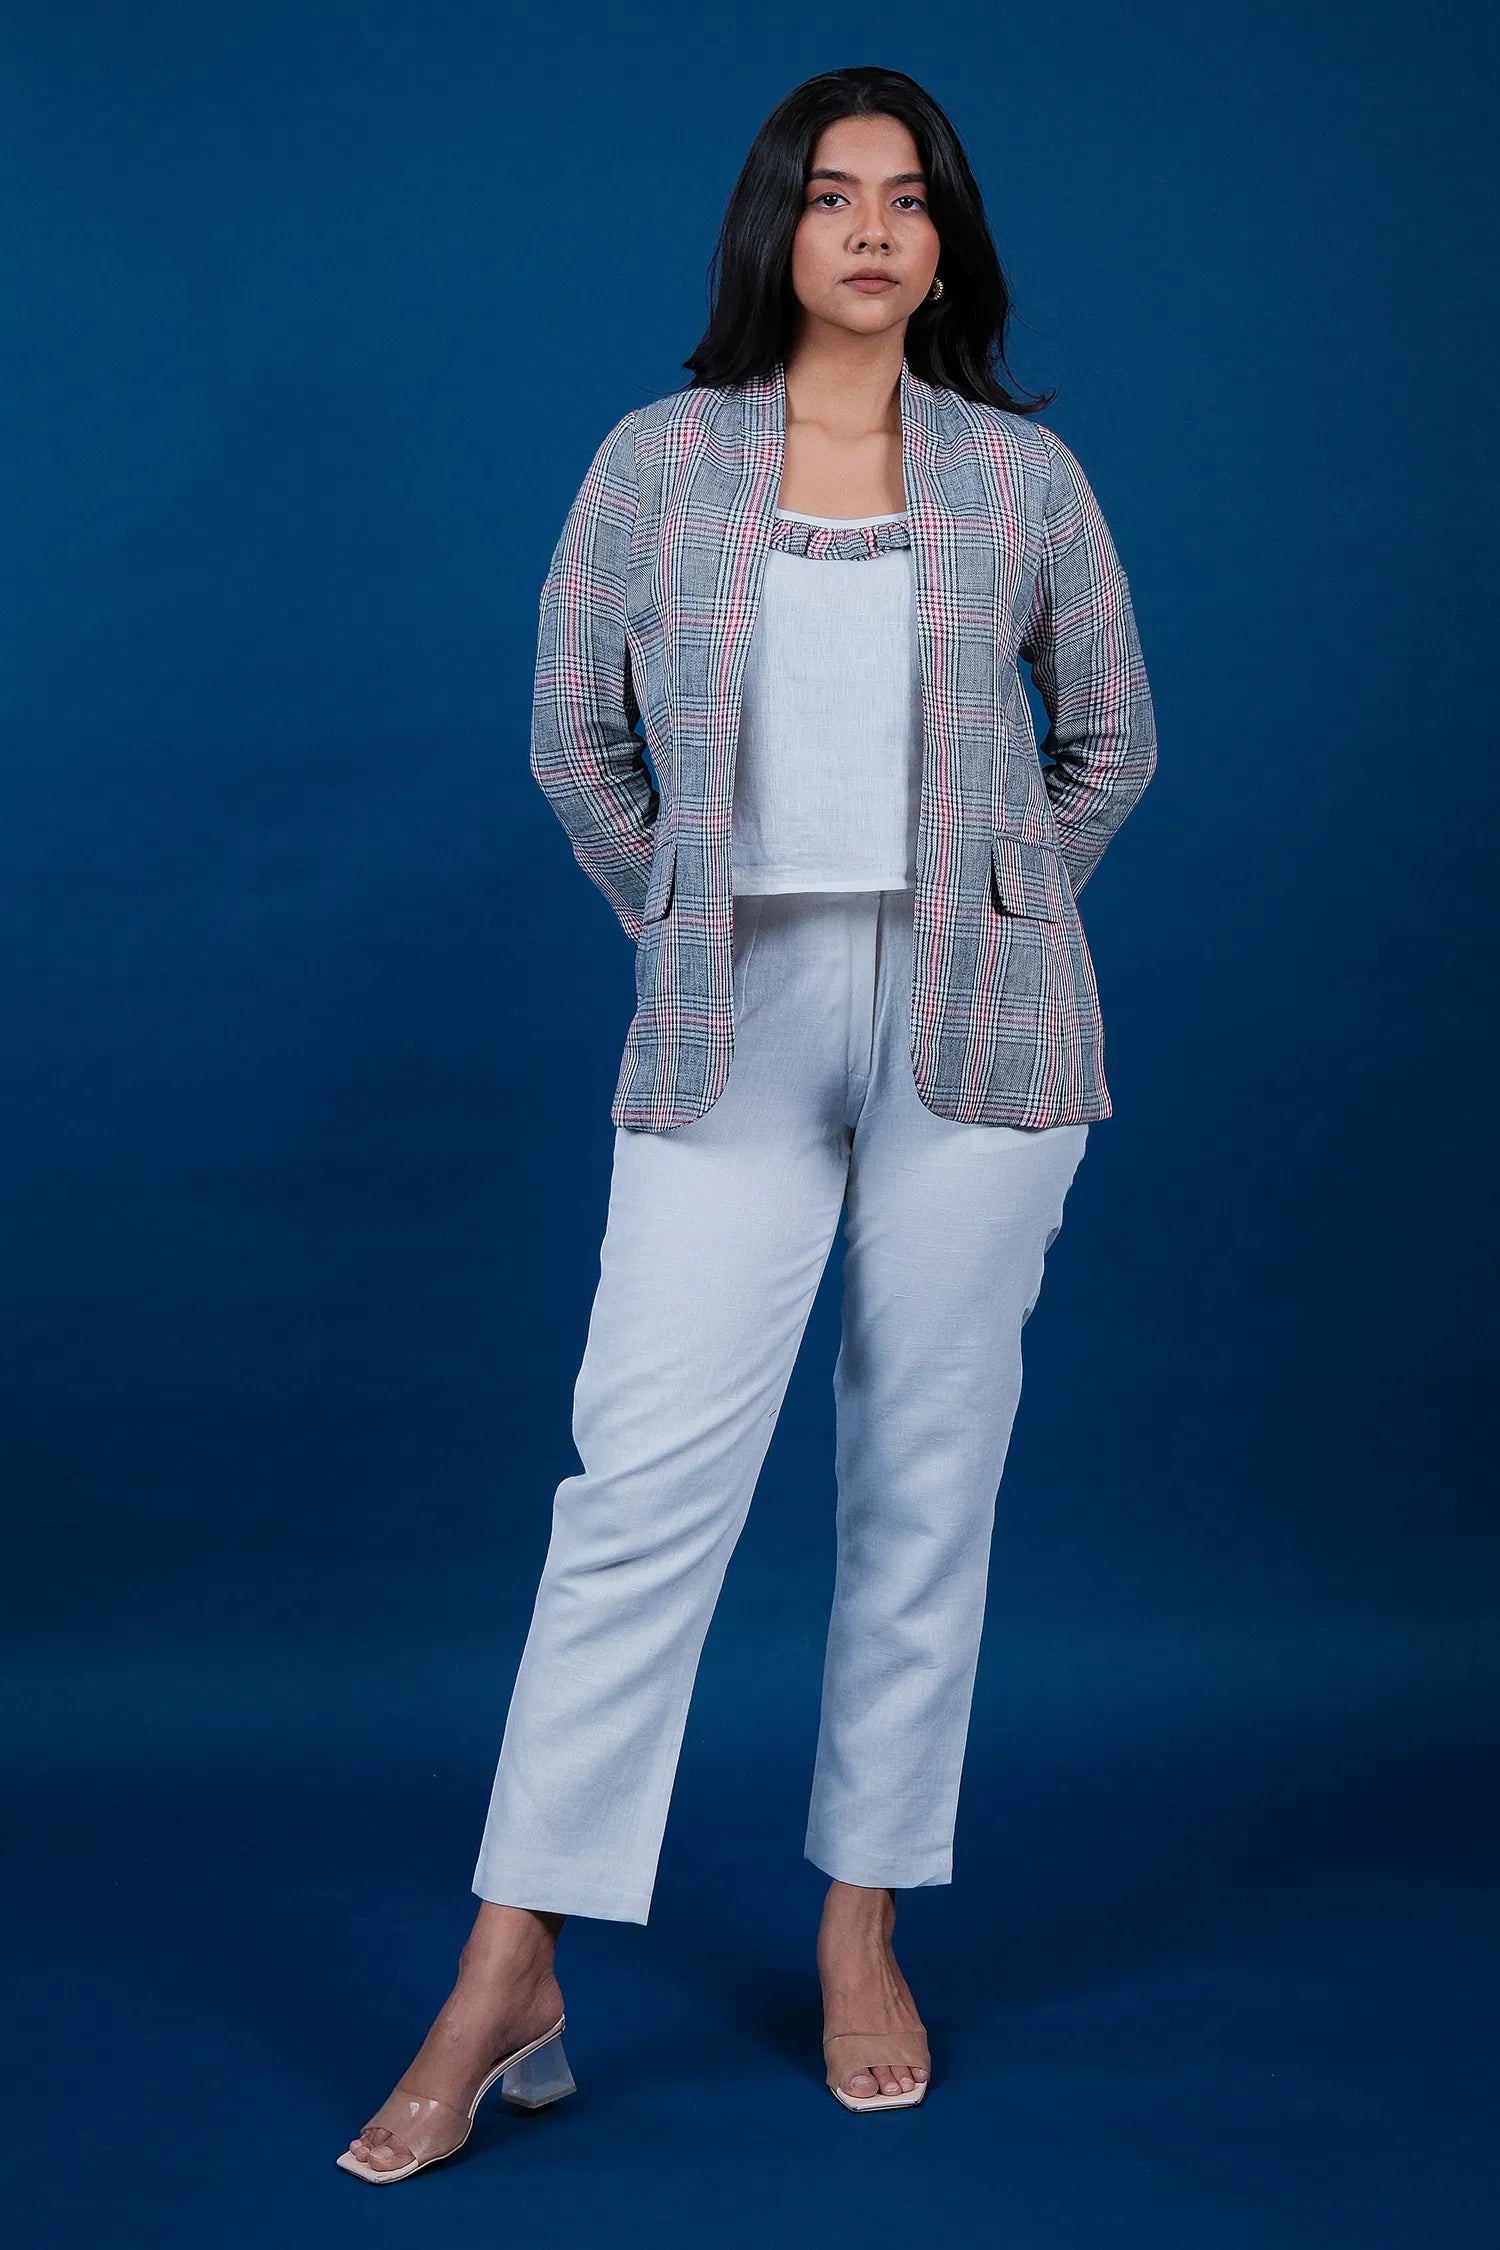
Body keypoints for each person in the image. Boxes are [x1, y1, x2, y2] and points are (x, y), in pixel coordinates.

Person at [338, 62, 1157, 2183]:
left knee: (925, 1480)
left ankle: (861, 1923)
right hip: (734, 1016)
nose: (872, 229)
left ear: (946, 248)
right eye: (832, 195)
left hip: (984, 1030)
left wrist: (998, 911)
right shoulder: (659, 461)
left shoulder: (1023, 478)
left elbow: (1112, 741)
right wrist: (686, 919)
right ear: (776, 230)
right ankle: (509, 1964)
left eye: (909, 198)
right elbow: (571, 740)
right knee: (636, 1488)